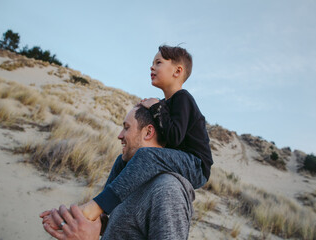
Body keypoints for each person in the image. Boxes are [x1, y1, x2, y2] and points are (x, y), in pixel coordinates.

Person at [43, 44, 213, 222]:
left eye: (158, 62)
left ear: (177, 71)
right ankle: (101, 211)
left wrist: (156, 107)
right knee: (121, 160)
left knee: (147, 155)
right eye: (152, 63)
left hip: (196, 165)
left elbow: (175, 137)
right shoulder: (166, 103)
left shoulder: (182, 98)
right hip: (178, 159)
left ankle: (94, 209)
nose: (152, 67)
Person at [42, 105, 195, 240]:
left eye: (127, 127)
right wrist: (85, 224)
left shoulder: (167, 190)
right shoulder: (130, 180)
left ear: (148, 132)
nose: (119, 135)